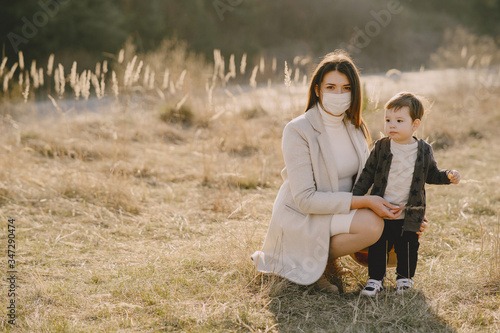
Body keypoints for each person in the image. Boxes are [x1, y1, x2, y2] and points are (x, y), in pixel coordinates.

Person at [251, 50, 417, 293]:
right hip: (305, 215)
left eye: (346, 88)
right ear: (317, 89)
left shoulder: (356, 127)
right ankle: (308, 262)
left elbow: (368, 181)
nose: (339, 94)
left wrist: (406, 212)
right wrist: (365, 203)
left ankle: (322, 263)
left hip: (342, 210)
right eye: (331, 86)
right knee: (371, 224)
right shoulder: (298, 130)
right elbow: (306, 200)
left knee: (397, 218)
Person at [353, 92, 460, 296]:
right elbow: (367, 174)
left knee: (408, 247)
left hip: (410, 212)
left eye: (399, 120)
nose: (391, 125)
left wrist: (447, 176)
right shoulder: (382, 146)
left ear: (415, 124)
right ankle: (375, 279)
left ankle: (404, 279)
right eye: (388, 120)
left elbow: (431, 174)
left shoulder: (423, 150)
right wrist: (355, 197)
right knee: (378, 245)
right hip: (382, 210)